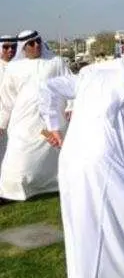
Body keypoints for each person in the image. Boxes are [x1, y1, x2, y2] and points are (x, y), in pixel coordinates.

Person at [39, 49, 124, 278]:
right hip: (109, 163)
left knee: (80, 223)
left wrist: (53, 125)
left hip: (73, 159)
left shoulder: (91, 73)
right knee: (123, 220)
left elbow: (49, 86)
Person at [0, 30, 70, 202]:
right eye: (31, 43)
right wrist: (2, 123)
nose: (36, 45)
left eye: (38, 41)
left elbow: (70, 84)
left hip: (52, 121)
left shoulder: (56, 62)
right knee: (18, 161)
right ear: (23, 48)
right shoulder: (13, 68)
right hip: (23, 122)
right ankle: (15, 191)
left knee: (56, 158)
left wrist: (70, 106)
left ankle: (55, 186)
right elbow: (7, 100)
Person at [0, 35, 18, 165]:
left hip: (19, 116)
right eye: (6, 47)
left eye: (13, 47)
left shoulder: (21, 67)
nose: (10, 50)